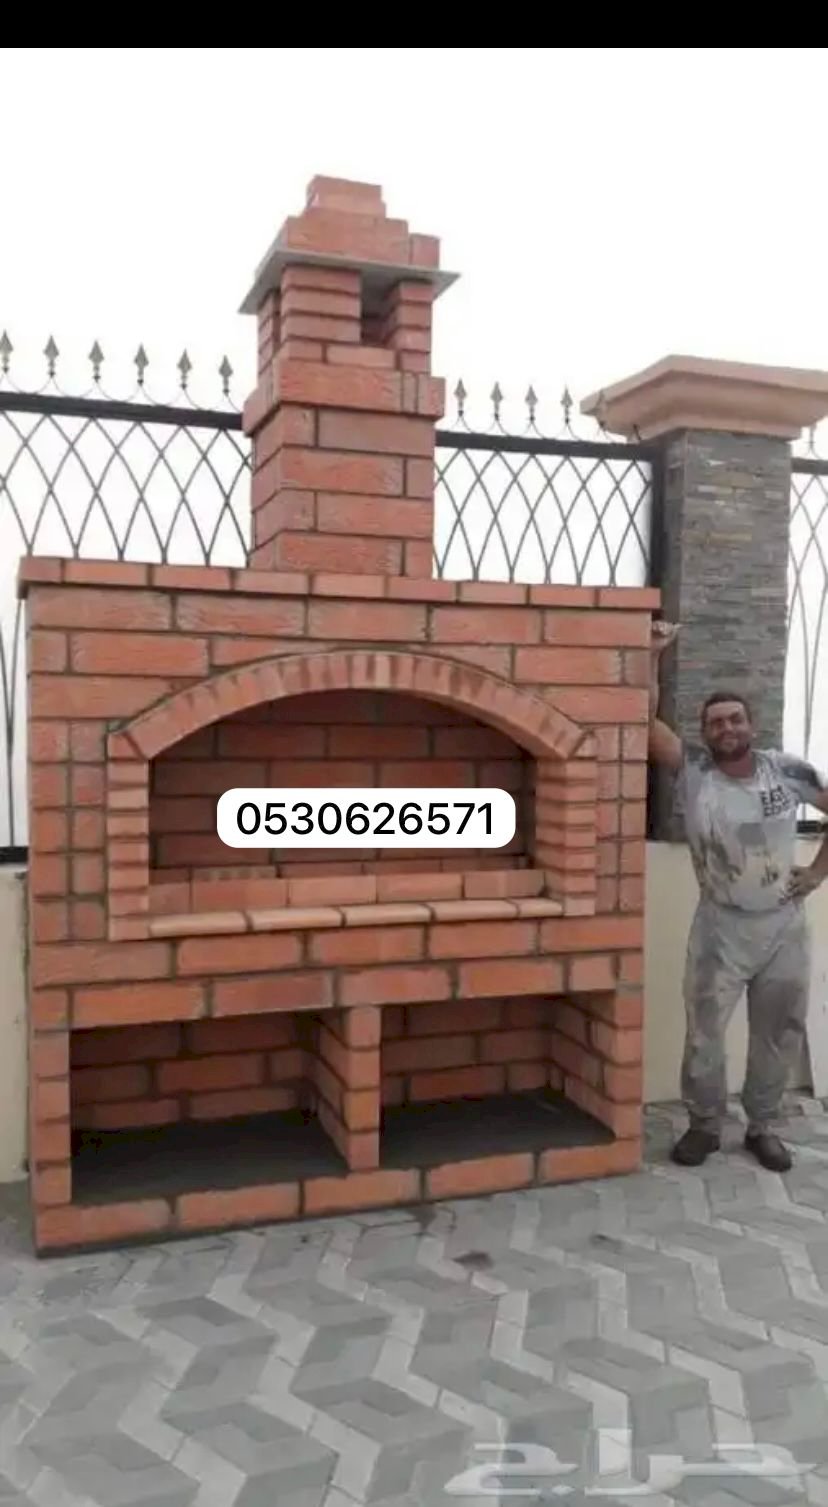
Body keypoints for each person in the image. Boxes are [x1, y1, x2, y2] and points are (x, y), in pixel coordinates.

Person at [648, 622, 828, 1171]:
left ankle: (763, 1127)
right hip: (719, 930)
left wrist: (817, 873)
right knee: (704, 1035)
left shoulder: (786, 771)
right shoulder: (694, 772)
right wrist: (652, 656)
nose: (726, 728)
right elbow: (642, 723)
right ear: (704, 733)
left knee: (777, 1034)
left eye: (734, 719)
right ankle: (704, 1126)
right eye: (715, 722)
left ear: (751, 724)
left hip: (782, 928)